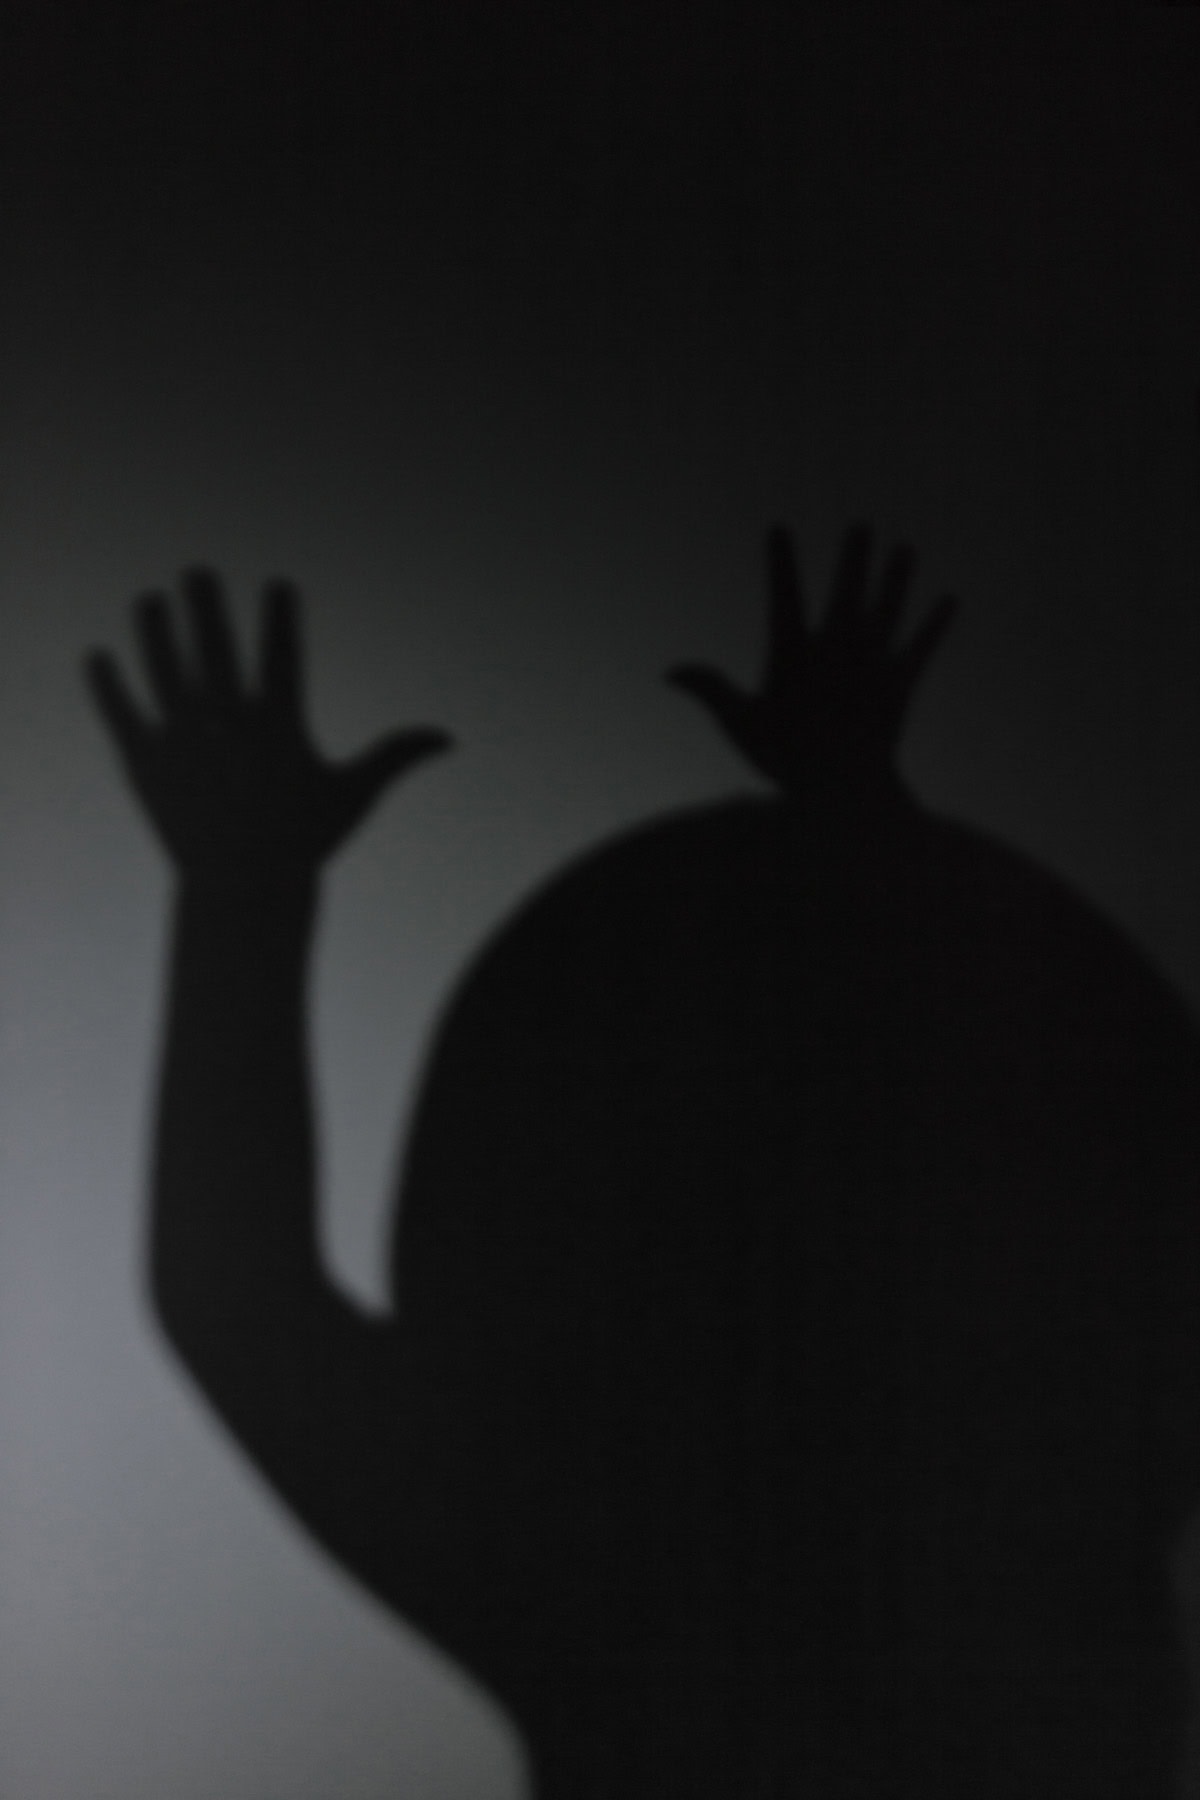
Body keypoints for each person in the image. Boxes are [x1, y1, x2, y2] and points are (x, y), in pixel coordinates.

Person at [87, 529, 1200, 1797]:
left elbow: (235, 1296)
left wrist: (244, 890)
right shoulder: (1052, 1588)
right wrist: (859, 827)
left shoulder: (580, 1582)